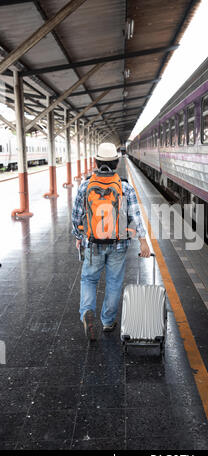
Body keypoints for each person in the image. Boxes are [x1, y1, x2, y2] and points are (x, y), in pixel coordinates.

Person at [72, 142, 151, 341]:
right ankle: (107, 322)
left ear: (95, 162)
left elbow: (76, 216)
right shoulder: (125, 188)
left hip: (93, 244)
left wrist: (79, 237)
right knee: (114, 282)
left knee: (89, 279)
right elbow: (135, 216)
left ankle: (87, 313)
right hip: (118, 244)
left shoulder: (85, 186)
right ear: (116, 163)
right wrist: (143, 242)